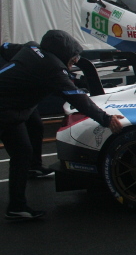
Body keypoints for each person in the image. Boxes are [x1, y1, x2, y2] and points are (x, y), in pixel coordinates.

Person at [0, 30, 124, 220]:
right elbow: (78, 99)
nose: (73, 63)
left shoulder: (31, 47)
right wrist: (106, 119)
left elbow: (4, 48)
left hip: (17, 103)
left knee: (35, 125)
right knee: (21, 152)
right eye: (73, 59)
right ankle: (16, 206)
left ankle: (34, 166)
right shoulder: (52, 69)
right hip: (6, 109)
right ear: (63, 54)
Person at [0, 43, 50, 178]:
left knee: (36, 126)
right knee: (20, 147)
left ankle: (34, 165)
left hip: (20, 95)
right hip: (9, 102)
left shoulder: (10, 49)